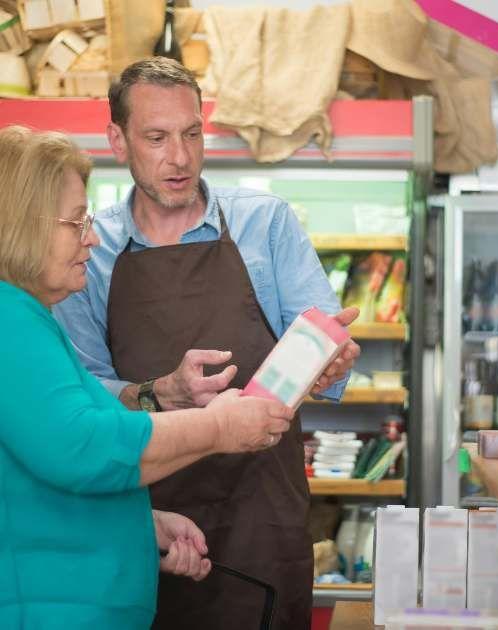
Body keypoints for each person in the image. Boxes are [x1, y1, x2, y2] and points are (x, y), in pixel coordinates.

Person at [52, 57, 362, 629]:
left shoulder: (265, 225)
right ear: (117, 141)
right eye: (157, 137)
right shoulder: (89, 249)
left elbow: (329, 354)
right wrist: (158, 391)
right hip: (144, 521)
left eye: (192, 133)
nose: (180, 157)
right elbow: (82, 398)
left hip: (260, 520)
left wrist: (331, 363)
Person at [0, 126, 296, 627]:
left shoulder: (31, 321)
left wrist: (140, 524)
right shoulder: (9, 321)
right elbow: (85, 446)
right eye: (76, 221)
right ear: (22, 225)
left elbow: (34, 477)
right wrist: (219, 429)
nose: (91, 236)